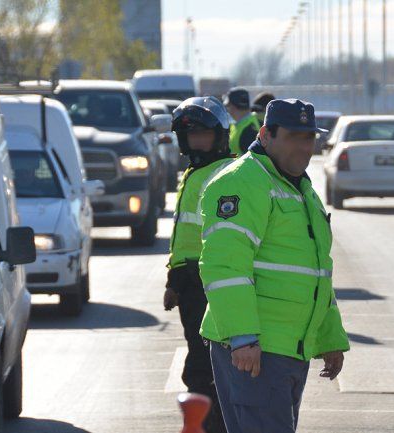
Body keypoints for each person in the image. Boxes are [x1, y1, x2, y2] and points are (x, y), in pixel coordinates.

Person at [199, 99, 350, 433]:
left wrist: (329, 338)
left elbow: (316, 272)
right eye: (293, 137)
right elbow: (225, 267)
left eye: (308, 137)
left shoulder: (300, 188)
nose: (304, 147)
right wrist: (242, 338)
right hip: (256, 349)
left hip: (288, 348)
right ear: (266, 135)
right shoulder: (243, 182)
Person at [164, 96, 234, 433]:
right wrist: (174, 280)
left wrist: (195, 276)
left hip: (210, 283)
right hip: (190, 282)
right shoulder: (194, 173)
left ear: (219, 136)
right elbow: (186, 236)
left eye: (204, 134)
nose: (197, 142)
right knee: (199, 360)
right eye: (191, 135)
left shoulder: (223, 174)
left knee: (206, 367)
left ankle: (211, 426)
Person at [223, 88, 260, 156]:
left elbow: (250, 158)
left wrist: (229, 157)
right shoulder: (244, 124)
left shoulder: (249, 130)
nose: (228, 110)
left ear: (233, 106)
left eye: (228, 106)